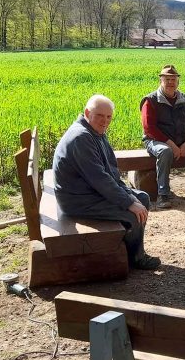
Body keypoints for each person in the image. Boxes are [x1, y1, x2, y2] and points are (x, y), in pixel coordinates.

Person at [53, 94, 161, 270]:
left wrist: (129, 195)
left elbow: (109, 171)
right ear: (87, 113)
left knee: (142, 197)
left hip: (89, 192)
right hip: (78, 200)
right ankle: (134, 258)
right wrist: (128, 202)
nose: (105, 121)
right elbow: (99, 179)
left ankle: (130, 250)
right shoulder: (81, 138)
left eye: (109, 117)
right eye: (100, 116)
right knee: (133, 213)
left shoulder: (95, 132)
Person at [140, 64, 185, 209]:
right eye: (166, 79)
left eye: (173, 79)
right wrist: (172, 145)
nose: (170, 83)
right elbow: (149, 128)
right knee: (165, 151)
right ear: (160, 81)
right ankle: (163, 194)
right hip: (155, 141)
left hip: (182, 141)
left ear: (177, 81)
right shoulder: (150, 100)